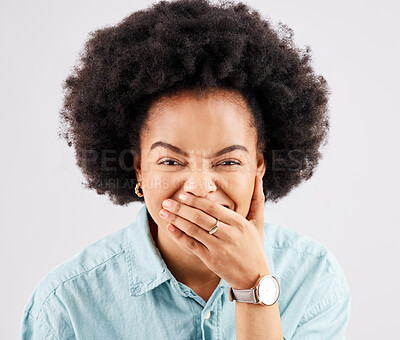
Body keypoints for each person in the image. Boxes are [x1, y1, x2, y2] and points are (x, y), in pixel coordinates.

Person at [20, 0, 351, 339]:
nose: (199, 186)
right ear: (138, 169)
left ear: (259, 166)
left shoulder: (313, 280)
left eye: (228, 161)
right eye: (171, 161)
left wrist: (253, 288)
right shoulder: (65, 306)